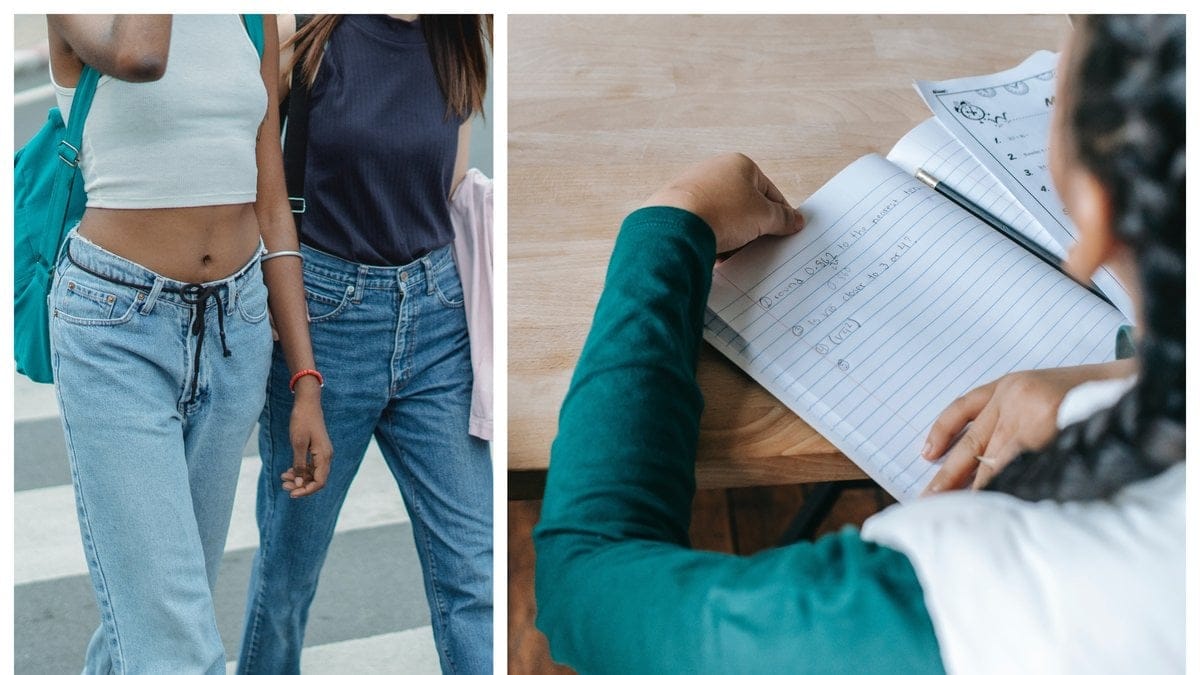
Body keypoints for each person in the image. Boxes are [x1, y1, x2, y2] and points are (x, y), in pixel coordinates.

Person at [534, 14, 1183, 674]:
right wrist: (1129, 376)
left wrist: (671, 223)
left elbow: (585, 582)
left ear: (1094, 222)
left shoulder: (967, 601)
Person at [45, 14, 333, 673]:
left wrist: (305, 380)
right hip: (117, 330)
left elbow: (271, 207)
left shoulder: (253, 18)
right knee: (176, 641)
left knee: (164, 609)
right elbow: (142, 56)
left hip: (236, 329)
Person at [237, 15, 493, 675]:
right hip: (326, 321)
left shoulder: (462, 36)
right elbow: (246, 172)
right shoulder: (306, 32)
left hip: (438, 321)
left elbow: (449, 190)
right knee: (289, 575)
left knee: (475, 575)